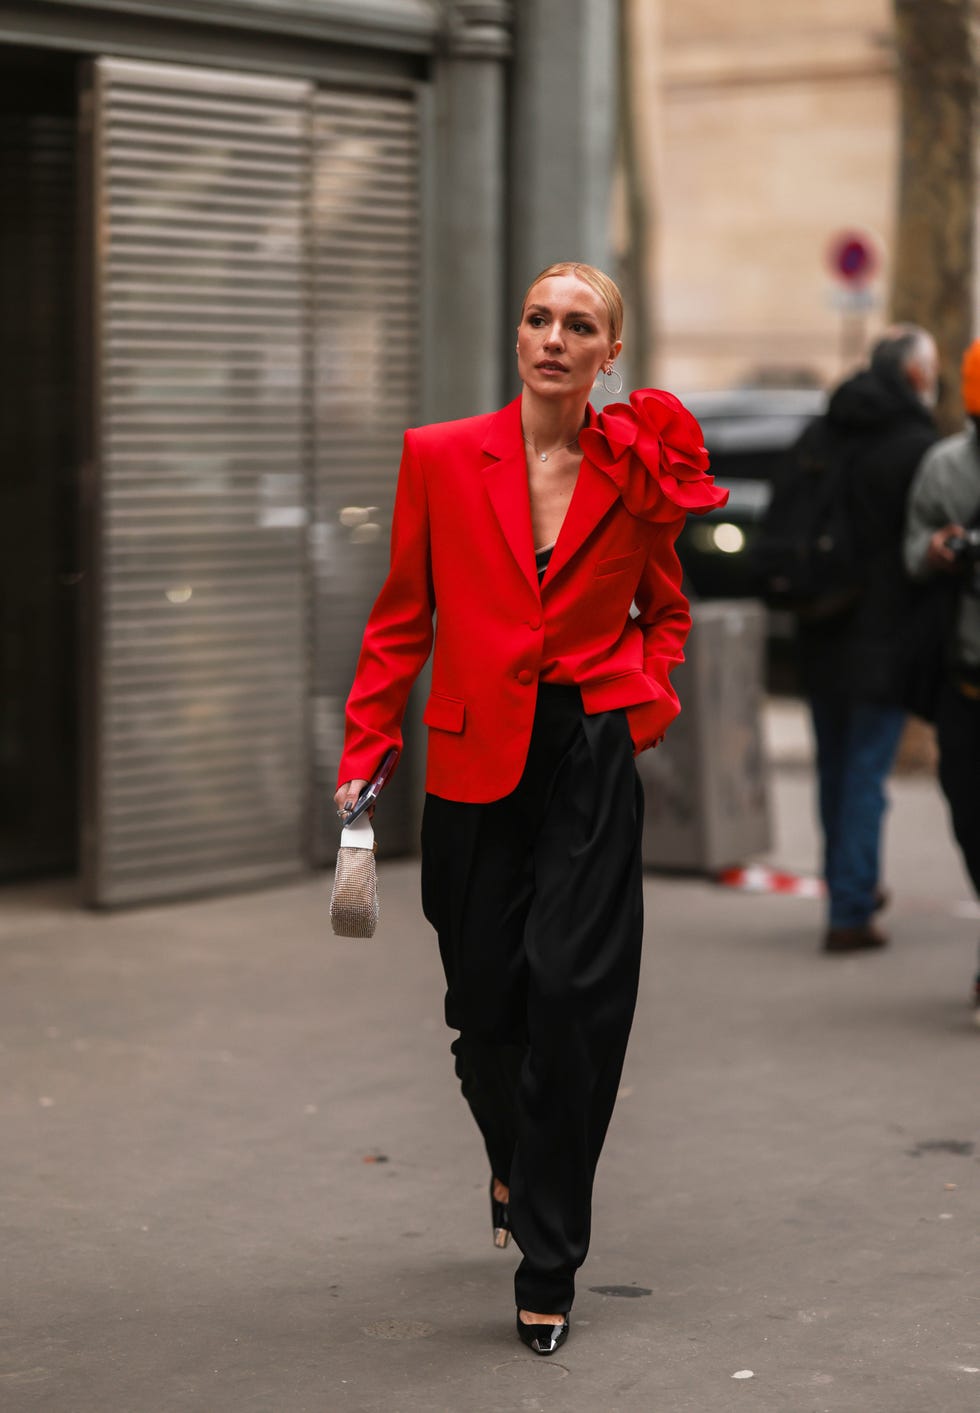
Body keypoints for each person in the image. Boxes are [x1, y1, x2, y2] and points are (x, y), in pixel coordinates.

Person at [333, 261, 726, 1354]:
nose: (553, 337)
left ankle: (549, 1254)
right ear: (518, 337)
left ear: (609, 354)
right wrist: (366, 749)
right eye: (538, 318)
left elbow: (665, 610)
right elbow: (401, 620)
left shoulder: (635, 469)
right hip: (470, 758)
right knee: (483, 1007)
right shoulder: (440, 458)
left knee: (572, 996)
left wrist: (638, 710)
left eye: (580, 324)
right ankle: (514, 1159)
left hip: (586, 754)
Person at [794, 326, 939, 952]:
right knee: (864, 776)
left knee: (835, 768)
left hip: (820, 627)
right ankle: (850, 907)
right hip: (883, 637)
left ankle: (845, 882)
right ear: (912, 376)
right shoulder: (916, 446)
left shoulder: (823, 430)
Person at [904, 339, 980, 1026]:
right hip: (964, 683)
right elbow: (911, 549)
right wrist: (934, 550)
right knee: (968, 817)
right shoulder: (945, 466)